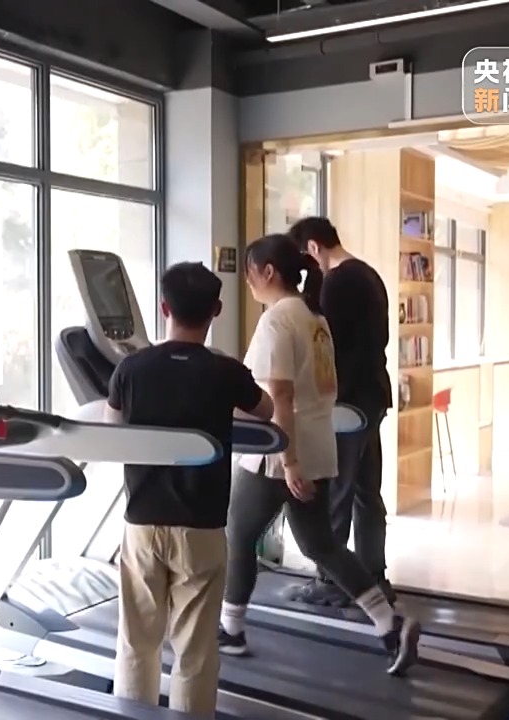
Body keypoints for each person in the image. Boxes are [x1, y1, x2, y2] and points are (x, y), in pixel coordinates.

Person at [218, 234, 419, 676]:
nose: (248, 282)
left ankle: (230, 629)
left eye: (249, 273)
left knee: (238, 532)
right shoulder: (315, 318)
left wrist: (288, 461)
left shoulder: (277, 321)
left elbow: (280, 396)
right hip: (318, 445)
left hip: (278, 452)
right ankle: (389, 624)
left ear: (268, 272)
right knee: (320, 544)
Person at [105, 261, 274, 716]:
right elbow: (266, 409)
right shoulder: (226, 372)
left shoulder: (130, 368)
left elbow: (111, 429)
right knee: (195, 650)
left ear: (164, 308)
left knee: (136, 641)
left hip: (143, 523)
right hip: (202, 526)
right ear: (216, 310)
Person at [287, 216, 395, 607]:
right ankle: (373, 575)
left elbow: (327, 345)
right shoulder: (368, 274)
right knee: (367, 493)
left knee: (336, 493)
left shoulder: (337, 282)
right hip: (373, 395)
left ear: (314, 247)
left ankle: (333, 581)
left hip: (346, 400)